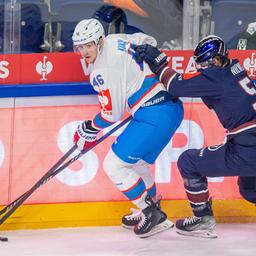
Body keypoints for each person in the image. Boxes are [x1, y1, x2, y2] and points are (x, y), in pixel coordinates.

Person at [132, 35, 256, 238]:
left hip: (247, 148)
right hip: (248, 142)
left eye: (205, 63)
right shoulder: (235, 68)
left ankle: (203, 219)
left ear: (216, 60)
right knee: (249, 189)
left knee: (188, 161)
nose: (202, 69)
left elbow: (176, 85)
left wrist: (160, 63)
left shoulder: (217, 77)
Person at [72, 18, 184, 238]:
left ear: (99, 41)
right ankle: (154, 208)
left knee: (114, 165)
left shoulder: (101, 71)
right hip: (170, 108)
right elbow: (148, 41)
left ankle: (150, 212)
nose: (84, 51)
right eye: (80, 46)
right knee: (136, 163)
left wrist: (90, 127)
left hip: (154, 113)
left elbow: (111, 115)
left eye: (89, 45)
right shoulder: (117, 39)